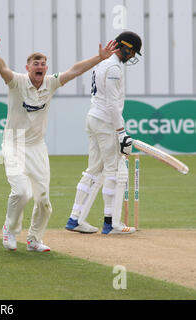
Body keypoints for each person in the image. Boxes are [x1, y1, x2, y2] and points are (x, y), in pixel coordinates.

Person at [0, 34, 119, 252]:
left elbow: (74, 70)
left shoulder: (51, 82)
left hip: (37, 147)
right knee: (21, 192)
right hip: (14, 145)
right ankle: (10, 229)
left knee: (44, 199)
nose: (40, 67)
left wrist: (99, 58)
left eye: (43, 64)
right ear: (28, 68)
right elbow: (2, 70)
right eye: (36, 64)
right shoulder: (17, 82)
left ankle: (34, 239)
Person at [65, 31, 142, 235]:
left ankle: (74, 219)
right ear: (124, 47)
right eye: (132, 51)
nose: (132, 56)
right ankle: (111, 224)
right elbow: (111, 104)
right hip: (105, 123)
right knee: (113, 171)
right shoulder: (114, 66)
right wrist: (121, 132)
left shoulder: (103, 62)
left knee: (93, 169)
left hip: (93, 119)